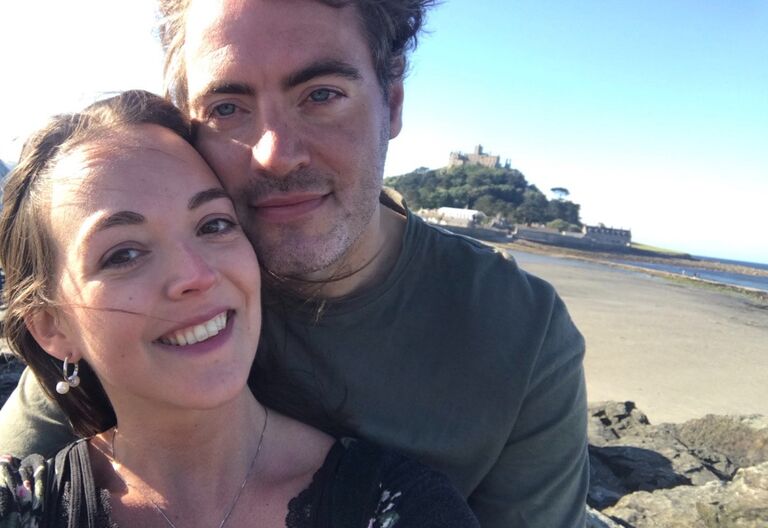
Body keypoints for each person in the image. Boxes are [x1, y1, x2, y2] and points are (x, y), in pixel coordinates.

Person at [0, 1, 590, 526]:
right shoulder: (166, 286)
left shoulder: (522, 330)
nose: (275, 155)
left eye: (322, 95)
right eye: (228, 107)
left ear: (393, 100)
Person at [0, 90, 479, 527]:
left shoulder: (403, 509)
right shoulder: (21, 507)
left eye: (213, 225)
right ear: (49, 326)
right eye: (124, 253)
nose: (197, 275)